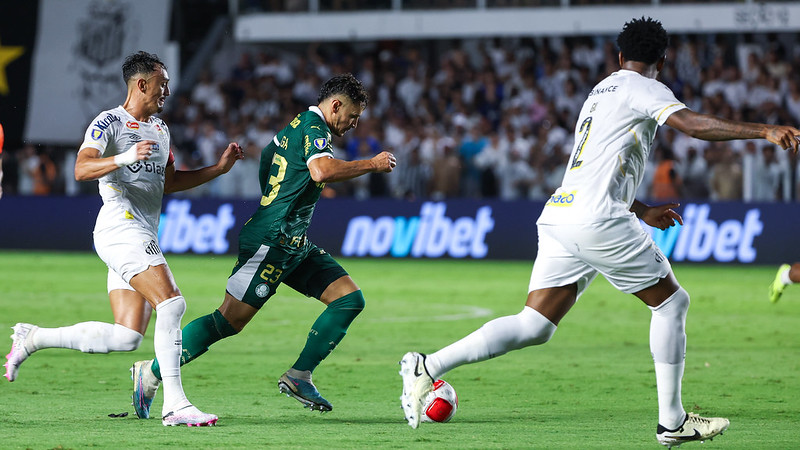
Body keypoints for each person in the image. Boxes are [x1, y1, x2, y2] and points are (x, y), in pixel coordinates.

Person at [399, 17, 800, 447]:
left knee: (535, 324)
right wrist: (764, 130)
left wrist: (642, 209)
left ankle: (427, 364)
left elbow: (596, 167)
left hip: (561, 214)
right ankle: (672, 421)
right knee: (671, 303)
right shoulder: (646, 87)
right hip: (597, 219)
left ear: (620, 55)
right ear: (662, 61)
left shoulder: (599, 92)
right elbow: (692, 126)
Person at [129, 73, 396, 419]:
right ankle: (150, 372)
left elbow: (269, 157)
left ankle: (299, 375)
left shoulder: (294, 126)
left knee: (349, 299)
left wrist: (277, 200)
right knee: (228, 322)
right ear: (335, 106)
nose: (354, 124)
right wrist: (372, 164)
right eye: (353, 115)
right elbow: (320, 172)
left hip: (292, 241)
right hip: (272, 240)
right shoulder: (315, 129)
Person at [4, 51, 245, 426]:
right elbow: (82, 167)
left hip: (142, 230)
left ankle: (32, 338)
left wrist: (217, 169)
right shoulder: (109, 123)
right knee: (172, 304)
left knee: (126, 336)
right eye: (162, 83)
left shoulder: (161, 130)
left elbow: (169, 182)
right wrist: (123, 157)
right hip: (120, 225)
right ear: (142, 83)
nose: (167, 90)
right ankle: (176, 405)